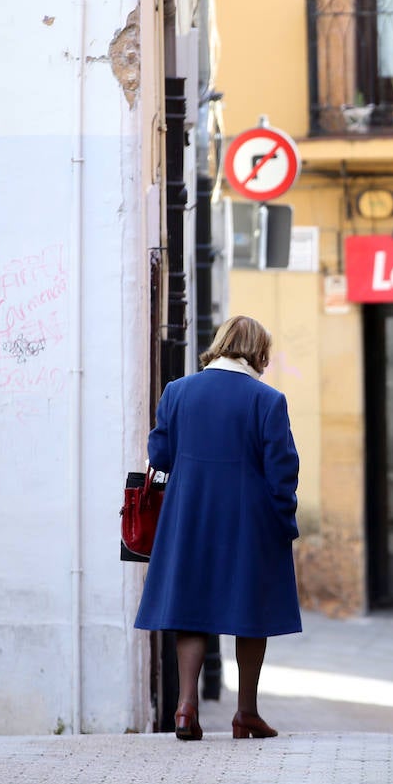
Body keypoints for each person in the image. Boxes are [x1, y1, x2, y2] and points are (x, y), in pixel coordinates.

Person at [134, 315, 302, 741]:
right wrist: (285, 521)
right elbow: (283, 472)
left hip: (188, 516)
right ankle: (246, 713)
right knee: (252, 614)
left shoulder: (177, 392)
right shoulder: (268, 400)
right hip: (250, 521)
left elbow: (161, 454)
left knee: (190, 607)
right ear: (259, 352)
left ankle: (186, 707)